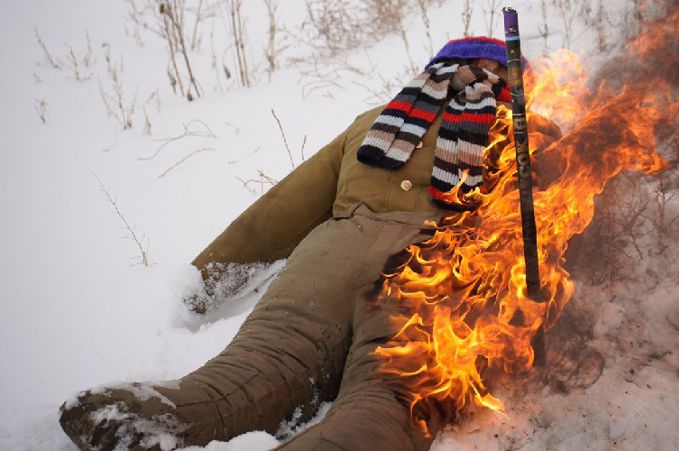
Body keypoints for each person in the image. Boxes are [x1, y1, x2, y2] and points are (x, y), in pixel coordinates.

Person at [59, 37, 561, 451]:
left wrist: (203, 282)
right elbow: (553, 231)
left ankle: (140, 415)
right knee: (388, 400)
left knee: (254, 370)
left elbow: (285, 209)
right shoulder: (525, 134)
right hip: (432, 274)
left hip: (330, 255)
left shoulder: (379, 122)